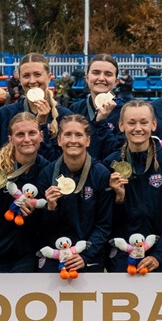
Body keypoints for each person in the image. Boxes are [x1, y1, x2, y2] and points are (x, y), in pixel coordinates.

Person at [0, 112, 52, 272]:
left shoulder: (46, 170)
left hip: (23, 258)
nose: (27, 139)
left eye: (32, 133)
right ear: (10, 139)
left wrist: (36, 212)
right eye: (20, 134)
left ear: (41, 136)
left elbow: (46, 225)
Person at [107, 100, 162, 273]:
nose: (138, 128)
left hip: (161, 250)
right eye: (131, 123)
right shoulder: (111, 163)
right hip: (123, 250)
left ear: (154, 125)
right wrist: (118, 198)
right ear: (121, 125)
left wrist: (159, 255)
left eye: (144, 122)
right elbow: (105, 217)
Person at [38, 114, 114, 273]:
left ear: (88, 140)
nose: (73, 140)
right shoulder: (47, 174)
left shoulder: (101, 174)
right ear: (59, 140)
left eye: (79, 135)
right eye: (67, 135)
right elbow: (41, 229)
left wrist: (85, 255)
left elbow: (104, 224)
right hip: (55, 256)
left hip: (89, 257)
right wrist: (50, 208)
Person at [0, 54, 63, 160]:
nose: (32, 81)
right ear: (20, 79)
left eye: (37, 75)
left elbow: (59, 163)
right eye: (26, 76)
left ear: (49, 77)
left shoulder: (63, 116)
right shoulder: (5, 114)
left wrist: (42, 126)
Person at [69, 54, 126, 161]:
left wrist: (102, 123)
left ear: (116, 81)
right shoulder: (75, 110)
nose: (101, 78)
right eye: (96, 73)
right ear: (87, 77)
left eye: (108, 74)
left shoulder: (125, 112)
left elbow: (122, 152)